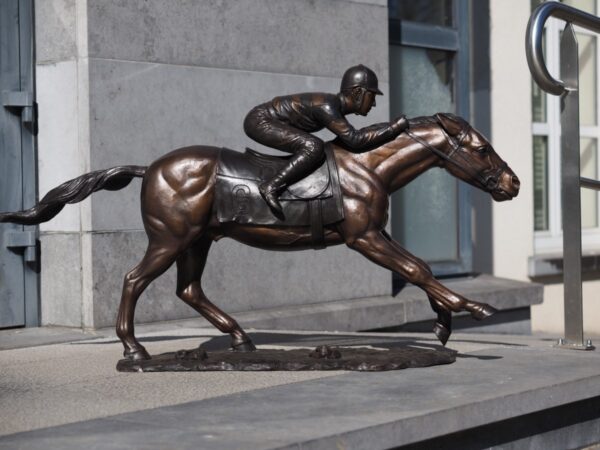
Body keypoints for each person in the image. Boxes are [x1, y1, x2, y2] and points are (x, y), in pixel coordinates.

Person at [243, 64, 409, 218]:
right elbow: (355, 139)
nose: (373, 104)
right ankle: (271, 186)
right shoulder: (327, 106)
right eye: (371, 96)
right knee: (313, 146)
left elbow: (353, 137)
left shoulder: (333, 106)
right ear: (358, 92)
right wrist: (394, 128)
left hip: (265, 119)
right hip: (259, 121)